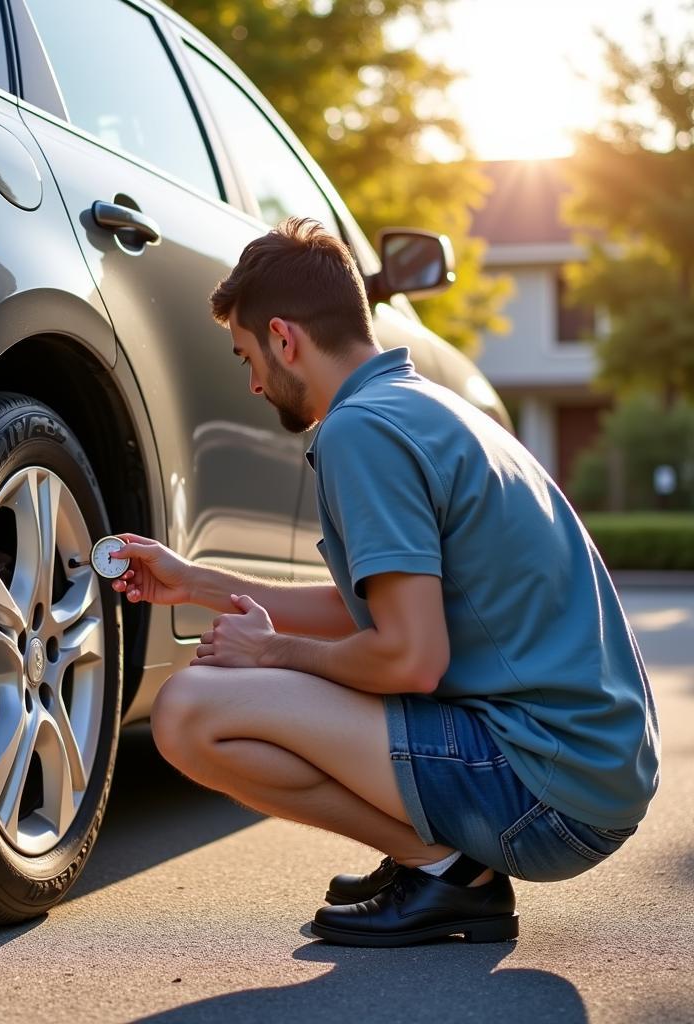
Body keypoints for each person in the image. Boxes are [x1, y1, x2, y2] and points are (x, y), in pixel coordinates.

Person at [110, 218, 660, 948]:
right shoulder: (421, 407)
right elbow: (362, 608)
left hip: (544, 795)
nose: (251, 381)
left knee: (187, 711)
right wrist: (194, 583)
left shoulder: (360, 431)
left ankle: (443, 871)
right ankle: (443, 867)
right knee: (225, 692)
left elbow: (410, 657)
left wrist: (273, 654)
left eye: (247, 355)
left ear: (284, 336)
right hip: (588, 775)